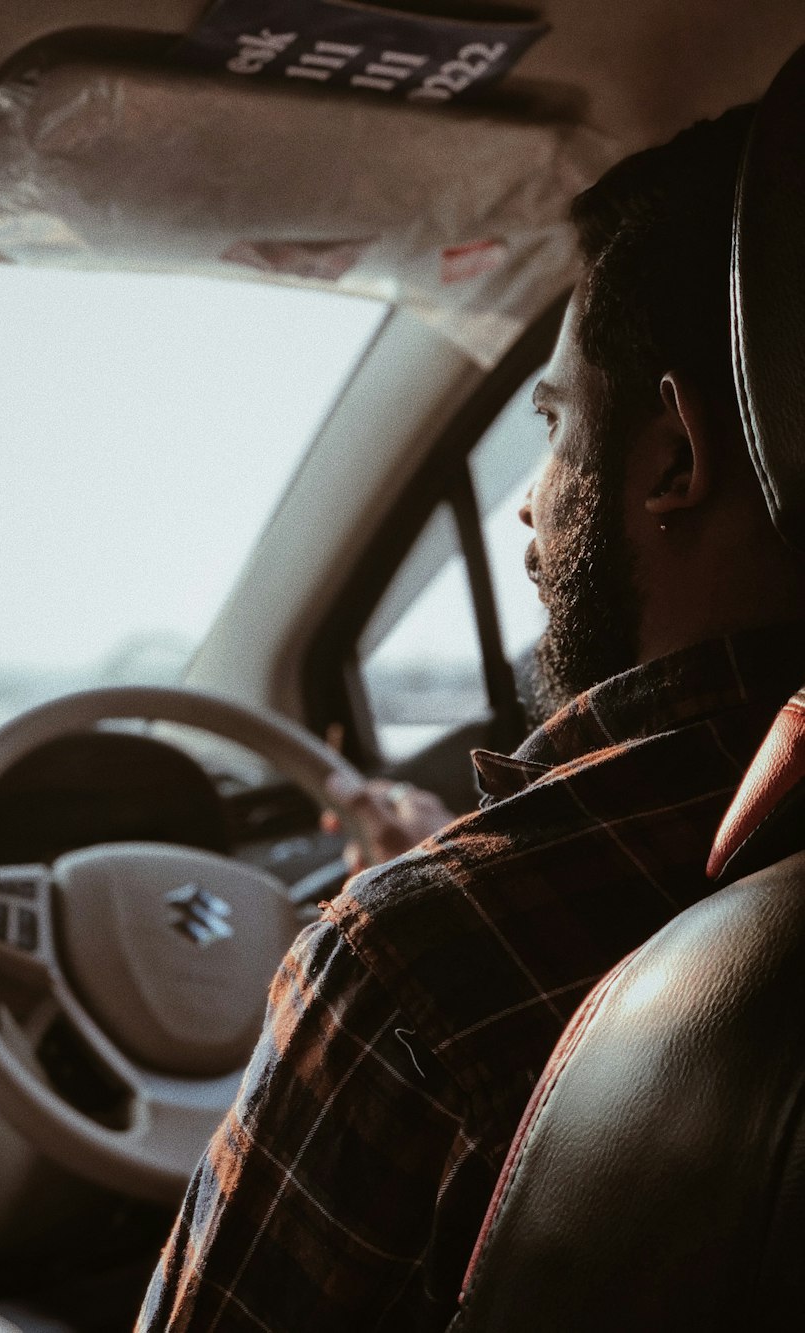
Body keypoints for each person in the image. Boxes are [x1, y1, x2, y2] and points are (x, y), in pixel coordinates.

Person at [138, 103, 805, 1332]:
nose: (524, 509)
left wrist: (398, 919)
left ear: (672, 461)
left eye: (552, 428)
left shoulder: (411, 971)